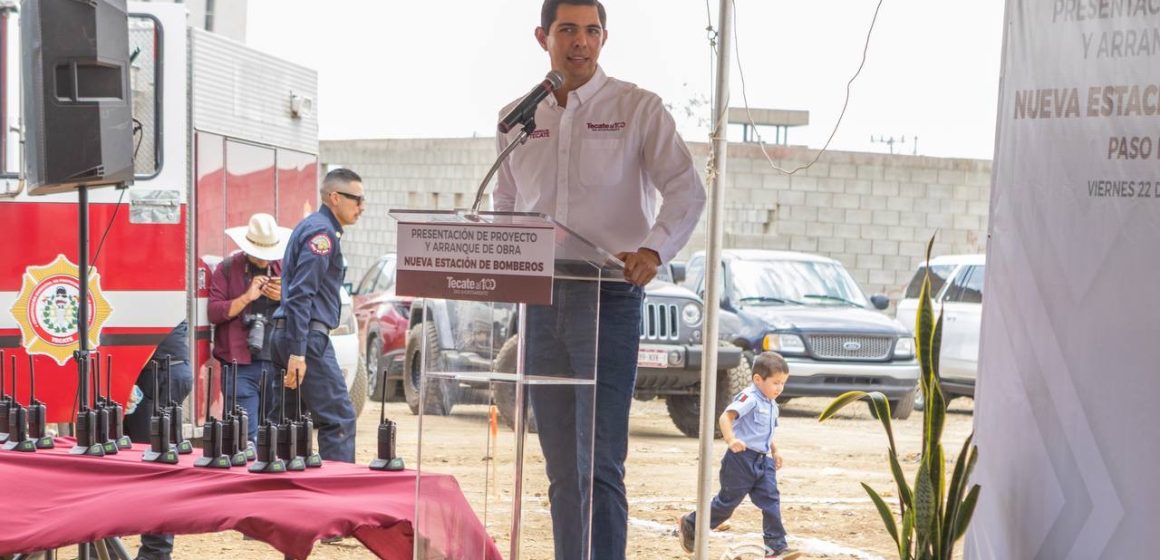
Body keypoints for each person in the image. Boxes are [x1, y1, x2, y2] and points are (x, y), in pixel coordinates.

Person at [493, 1, 706, 558]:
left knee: (600, 461)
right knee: (560, 462)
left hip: (609, 297)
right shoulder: (518, 117)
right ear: (543, 37)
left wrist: (654, 251)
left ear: (604, 38)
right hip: (539, 300)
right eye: (568, 30)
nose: (580, 42)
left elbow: (686, 190)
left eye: (591, 31)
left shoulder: (637, 108)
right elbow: (507, 205)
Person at [269, 168, 364, 463]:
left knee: (287, 421)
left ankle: (282, 491)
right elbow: (301, 294)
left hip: (290, 334)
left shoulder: (313, 226)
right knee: (339, 418)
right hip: (306, 338)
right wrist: (299, 351)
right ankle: (337, 495)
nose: (361, 207)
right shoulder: (322, 234)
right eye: (357, 199)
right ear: (335, 197)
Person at [677, 352, 800, 559]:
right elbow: (726, 417)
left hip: (763, 461)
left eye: (783, 383)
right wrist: (731, 439)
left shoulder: (772, 404)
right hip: (741, 460)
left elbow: (766, 433)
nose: (780, 388)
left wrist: (775, 451)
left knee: (771, 501)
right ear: (758, 380)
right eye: (776, 383)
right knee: (726, 504)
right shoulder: (749, 397)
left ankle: (776, 547)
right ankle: (691, 523)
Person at [207, 213, 290, 443]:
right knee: (244, 438)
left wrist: (285, 297)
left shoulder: (285, 268)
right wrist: (246, 297)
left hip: (277, 362)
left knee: (275, 436)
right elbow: (214, 312)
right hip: (239, 365)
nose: (265, 260)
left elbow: (306, 307)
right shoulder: (227, 269)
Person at [122, 320, 193, 560]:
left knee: (155, 466)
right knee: (142, 460)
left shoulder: (143, 289)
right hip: (163, 370)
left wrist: (123, 380)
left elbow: (147, 338)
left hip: (158, 372)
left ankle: (156, 552)